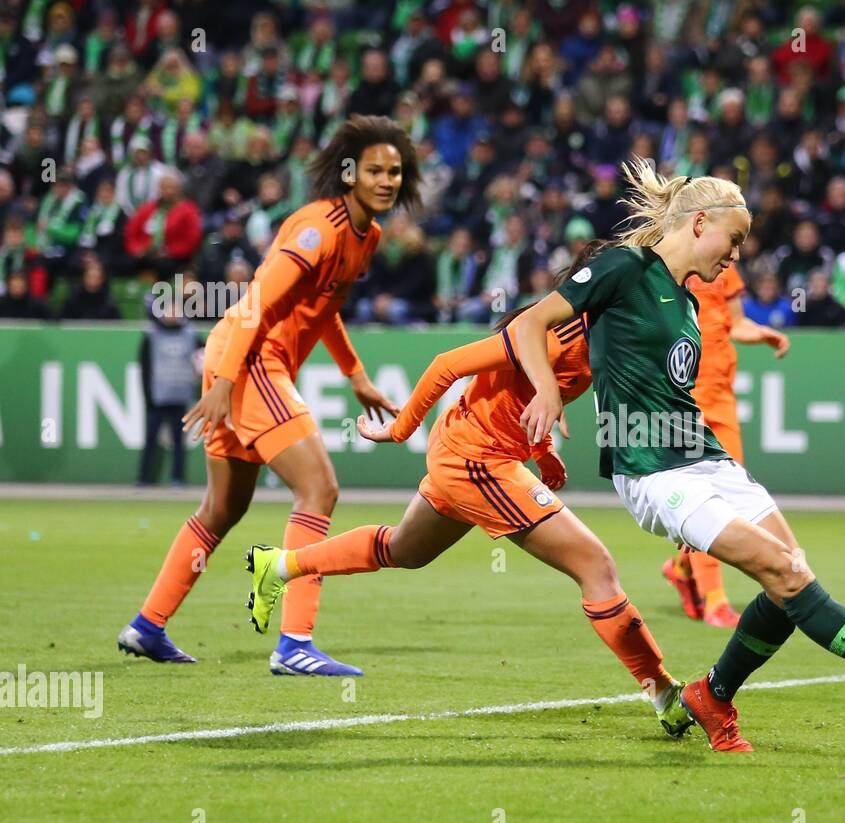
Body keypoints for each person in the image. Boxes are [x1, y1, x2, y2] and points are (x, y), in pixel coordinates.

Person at [509, 160, 845, 752]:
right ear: (699, 224)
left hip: (706, 459)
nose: (737, 256)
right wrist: (545, 392)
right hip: (654, 470)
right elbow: (529, 323)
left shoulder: (690, 304)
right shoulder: (623, 268)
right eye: (735, 240)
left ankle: (713, 695)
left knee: (789, 577)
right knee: (788, 573)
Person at [242, 249, 695, 737]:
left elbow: (524, 394)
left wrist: (541, 449)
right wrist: (399, 430)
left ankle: (280, 565)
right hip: (478, 461)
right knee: (596, 566)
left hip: (470, 450)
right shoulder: (555, 331)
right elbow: (447, 364)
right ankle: (664, 692)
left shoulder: (598, 335)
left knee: (402, 549)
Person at [116, 116, 415, 674]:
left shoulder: (366, 237)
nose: (387, 179)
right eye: (375, 169)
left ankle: (148, 625)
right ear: (349, 173)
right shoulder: (316, 229)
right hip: (250, 361)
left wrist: (355, 375)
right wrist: (224, 385)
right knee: (319, 488)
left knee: (223, 507)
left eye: (395, 171)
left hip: (247, 364)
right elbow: (253, 301)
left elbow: (324, 309)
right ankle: (294, 645)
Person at [661, 255, 788, 630]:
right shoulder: (667, 265)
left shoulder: (724, 267)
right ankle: (714, 598)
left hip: (721, 398)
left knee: (731, 498)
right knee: (704, 500)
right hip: (683, 399)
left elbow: (737, 322)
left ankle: (683, 568)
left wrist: (762, 333)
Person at [137, 296, 199, 485]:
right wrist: (148, 397)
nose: (173, 314)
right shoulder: (151, 335)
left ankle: (178, 477)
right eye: (169, 310)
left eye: (176, 310)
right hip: (157, 398)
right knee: (150, 440)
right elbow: (145, 369)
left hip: (180, 396)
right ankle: (144, 478)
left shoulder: (191, 334)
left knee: (179, 442)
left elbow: (204, 355)